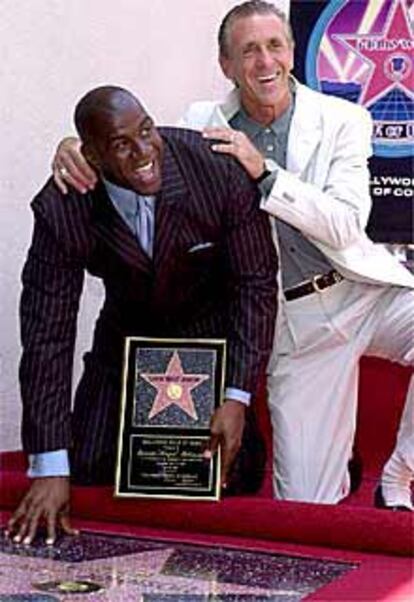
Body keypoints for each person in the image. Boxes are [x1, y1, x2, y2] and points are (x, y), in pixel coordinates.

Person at [50, 1, 414, 511]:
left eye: (274, 46)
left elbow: (346, 225)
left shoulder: (344, 118)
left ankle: (399, 473)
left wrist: (264, 171)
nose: (265, 62)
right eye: (248, 51)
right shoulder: (202, 123)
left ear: (292, 53)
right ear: (226, 65)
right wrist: (73, 147)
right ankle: (336, 462)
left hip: (358, 290)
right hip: (295, 323)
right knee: (306, 507)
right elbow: (131, 146)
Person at [6, 85, 278, 545]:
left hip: (206, 340)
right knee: (89, 466)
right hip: (126, 341)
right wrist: (48, 464)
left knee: (235, 473)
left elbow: (255, 284)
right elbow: (47, 335)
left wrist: (237, 396)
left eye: (146, 130)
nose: (143, 150)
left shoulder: (216, 171)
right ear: (90, 155)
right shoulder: (63, 204)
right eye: (120, 144)